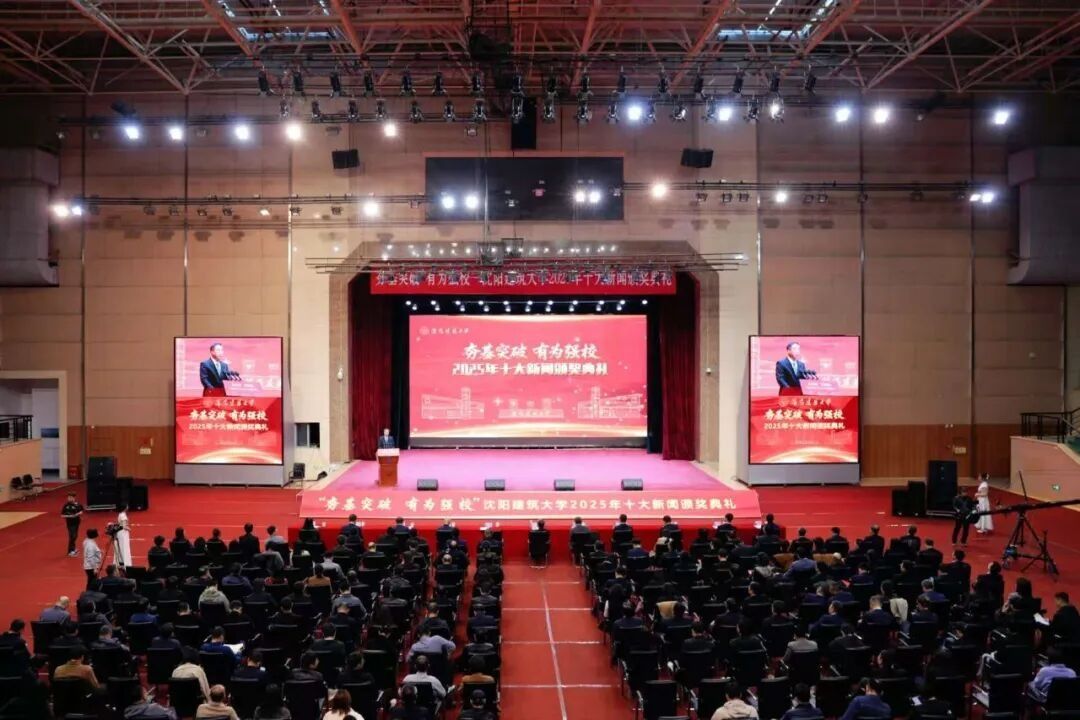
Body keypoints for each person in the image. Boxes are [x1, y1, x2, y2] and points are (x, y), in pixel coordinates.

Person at [61, 492, 84, 557]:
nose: (69, 498)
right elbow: (62, 515)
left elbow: (81, 511)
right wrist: (70, 516)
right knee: (72, 536)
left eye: (71, 497)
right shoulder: (66, 506)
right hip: (70, 524)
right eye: (68, 497)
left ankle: (73, 549)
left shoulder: (78, 504)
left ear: (74, 498)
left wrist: (78, 514)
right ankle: (70, 551)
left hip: (77, 522)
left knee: (75, 536)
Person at [114, 504, 132, 569]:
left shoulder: (120, 514)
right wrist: (129, 529)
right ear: (125, 507)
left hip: (120, 533)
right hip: (123, 533)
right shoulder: (123, 515)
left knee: (120, 547)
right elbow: (124, 526)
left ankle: (119, 562)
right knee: (124, 547)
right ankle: (125, 563)